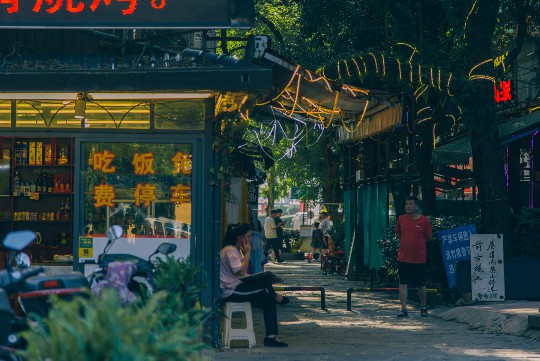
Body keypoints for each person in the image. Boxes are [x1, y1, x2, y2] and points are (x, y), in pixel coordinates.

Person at [220, 223, 289, 347]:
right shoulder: (230, 251)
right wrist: (247, 254)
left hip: (238, 286)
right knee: (266, 284)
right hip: (232, 291)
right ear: (240, 237)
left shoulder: (235, 250)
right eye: (249, 236)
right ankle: (276, 296)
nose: (250, 239)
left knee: (268, 300)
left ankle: (271, 337)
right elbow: (240, 271)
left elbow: (243, 274)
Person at [395, 196, 433, 318]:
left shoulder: (424, 221)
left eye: (411, 204)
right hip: (403, 258)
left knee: (421, 284)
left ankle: (423, 306)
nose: (408, 206)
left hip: (419, 258)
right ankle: (404, 308)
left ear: (417, 206)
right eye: (406, 204)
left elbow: (428, 237)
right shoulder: (401, 219)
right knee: (403, 283)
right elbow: (398, 234)